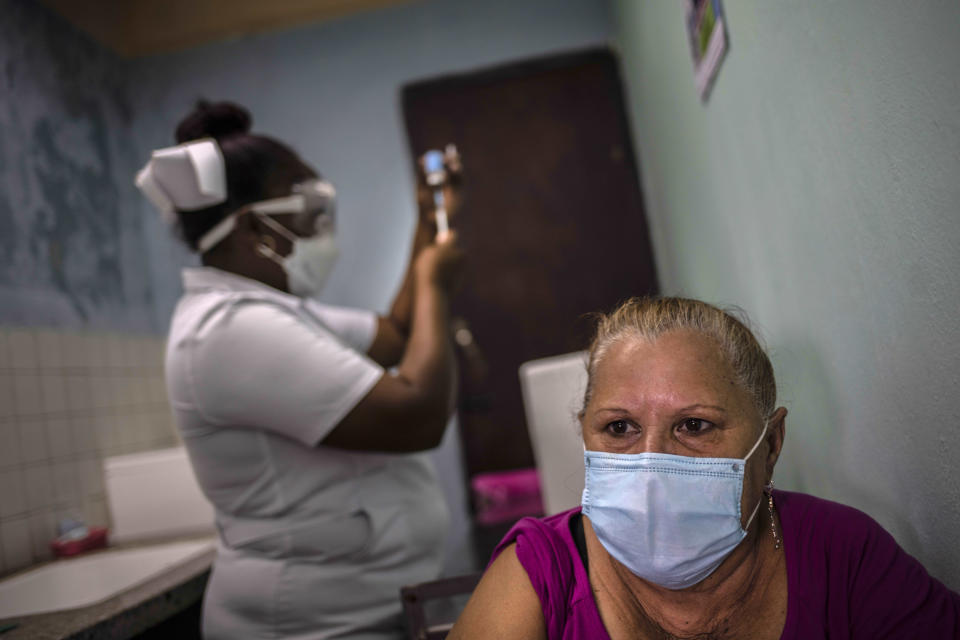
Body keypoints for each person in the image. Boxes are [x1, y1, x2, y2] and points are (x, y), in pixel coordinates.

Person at [135, 100, 464, 639]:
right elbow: (417, 416)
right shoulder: (228, 329)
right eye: (306, 209)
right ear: (253, 231)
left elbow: (396, 335)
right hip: (306, 626)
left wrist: (430, 225)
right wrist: (436, 284)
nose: (321, 227)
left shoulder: (272, 312)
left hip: (352, 614)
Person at [450, 297, 960, 639]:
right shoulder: (541, 576)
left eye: (694, 425)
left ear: (772, 443)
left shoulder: (841, 552)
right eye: (620, 428)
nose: (652, 464)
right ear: (586, 433)